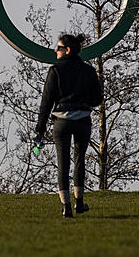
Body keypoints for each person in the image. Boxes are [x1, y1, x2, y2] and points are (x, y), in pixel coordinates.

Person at [34, 33, 102, 218]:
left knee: (62, 164)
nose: (55, 50)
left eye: (59, 47)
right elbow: (97, 99)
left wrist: (40, 129)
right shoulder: (88, 71)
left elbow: (46, 102)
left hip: (61, 122)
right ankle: (79, 203)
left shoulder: (55, 71)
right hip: (82, 121)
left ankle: (66, 207)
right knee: (80, 161)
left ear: (68, 50)